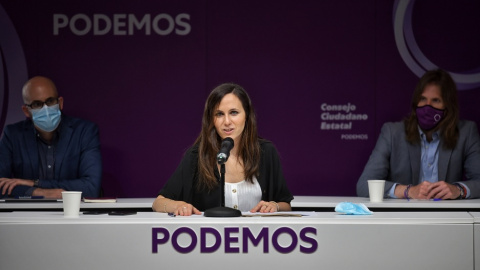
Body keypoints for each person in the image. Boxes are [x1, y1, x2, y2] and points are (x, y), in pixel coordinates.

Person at [152, 83, 293, 215]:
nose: (226, 122)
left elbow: (285, 204)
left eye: (233, 112)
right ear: (211, 119)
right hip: (209, 239)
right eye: (219, 114)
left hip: (257, 239)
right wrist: (178, 206)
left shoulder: (266, 152)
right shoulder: (196, 156)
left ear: (247, 116)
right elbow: (158, 203)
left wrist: (275, 206)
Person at [357, 69, 480, 200]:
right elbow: (364, 185)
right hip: (403, 217)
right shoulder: (392, 133)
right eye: (422, 99)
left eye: (435, 100)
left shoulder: (466, 132)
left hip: (447, 216)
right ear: (416, 102)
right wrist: (407, 191)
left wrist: (458, 190)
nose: (427, 106)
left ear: (448, 106)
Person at [0, 76, 102, 199]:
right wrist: (39, 192)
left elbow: (91, 188)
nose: (46, 109)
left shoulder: (84, 132)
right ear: (26, 111)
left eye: (50, 101)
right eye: (37, 104)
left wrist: (35, 183)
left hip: (74, 213)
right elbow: (1, 184)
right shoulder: (13, 135)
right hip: (28, 214)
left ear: (60, 103)